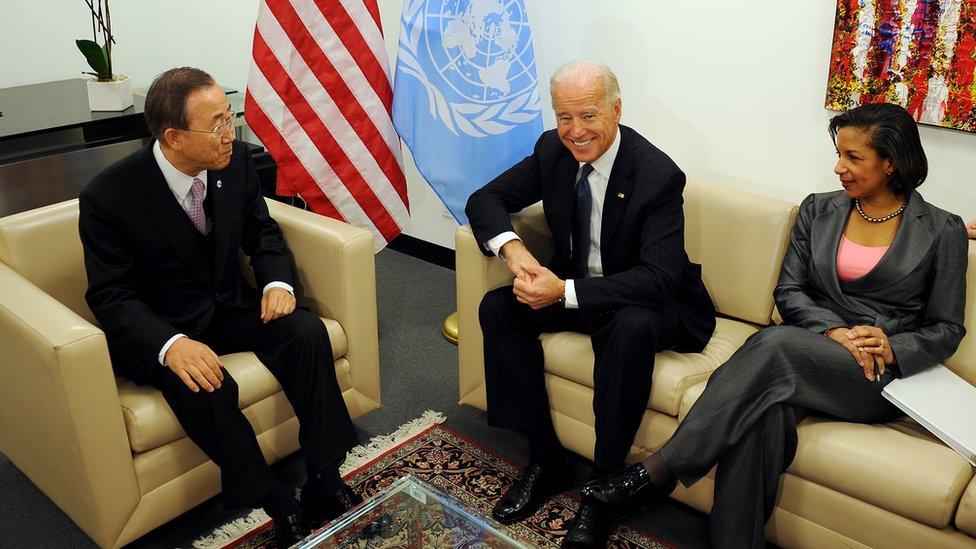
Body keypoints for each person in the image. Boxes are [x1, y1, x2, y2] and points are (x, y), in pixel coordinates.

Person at [580, 103, 968, 548]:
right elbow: (789, 291)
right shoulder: (818, 210)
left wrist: (893, 344)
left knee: (774, 344)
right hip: (807, 351)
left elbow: (946, 328)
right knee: (763, 417)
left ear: (892, 162)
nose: (839, 168)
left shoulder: (942, 230)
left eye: (854, 158)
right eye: (839, 154)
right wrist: (831, 332)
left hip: (871, 373)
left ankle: (657, 473)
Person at [79, 67, 361, 545]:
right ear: (173, 137)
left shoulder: (235, 164)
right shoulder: (109, 197)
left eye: (230, 118)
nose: (231, 134)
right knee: (205, 384)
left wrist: (277, 282)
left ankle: (324, 475)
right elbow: (112, 296)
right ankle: (274, 499)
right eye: (218, 125)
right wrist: (170, 345)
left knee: (306, 331)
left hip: (228, 306)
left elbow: (261, 231)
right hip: (166, 329)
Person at [465, 60, 715, 548]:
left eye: (588, 116)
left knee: (631, 328)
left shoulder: (658, 174)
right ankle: (545, 458)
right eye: (564, 117)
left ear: (616, 110)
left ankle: (603, 488)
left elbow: (659, 278)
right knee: (499, 307)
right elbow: (485, 199)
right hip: (577, 286)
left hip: (646, 298)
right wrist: (514, 252)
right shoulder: (550, 151)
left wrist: (565, 292)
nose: (575, 132)